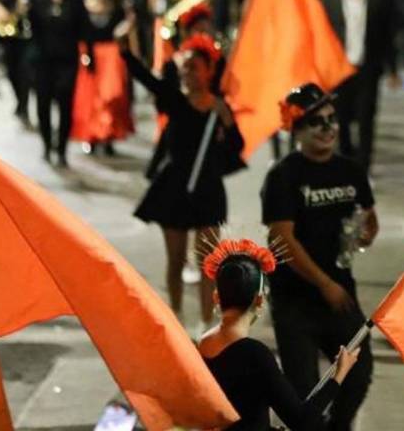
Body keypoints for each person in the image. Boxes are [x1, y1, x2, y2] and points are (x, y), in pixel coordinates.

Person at [261, 83, 376, 430]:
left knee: (359, 372)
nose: (328, 128)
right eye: (316, 122)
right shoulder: (283, 176)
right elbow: (281, 238)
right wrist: (324, 283)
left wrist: (365, 232)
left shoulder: (351, 170)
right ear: (296, 129)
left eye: (331, 119)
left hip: (340, 291)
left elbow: (369, 217)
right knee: (303, 391)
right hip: (295, 299)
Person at [122, 23, 244, 328]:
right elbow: (148, 80)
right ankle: (175, 315)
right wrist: (126, 52)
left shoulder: (219, 107)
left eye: (194, 68)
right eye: (184, 67)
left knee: (208, 263)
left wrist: (227, 122)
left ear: (209, 71)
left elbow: (236, 147)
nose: (187, 73)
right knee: (175, 262)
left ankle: (206, 323)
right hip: (174, 189)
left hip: (207, 190)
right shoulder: (174, 100)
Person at [198, 237, 360, 431]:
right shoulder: (255, 354)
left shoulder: (203, 345)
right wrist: (338, 374)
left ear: (217, 296)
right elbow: (302, 421)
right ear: (259, 300)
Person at [319, 0, 396, 174]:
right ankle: (344, 162)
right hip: (339, 70)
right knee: (339, 119)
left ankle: (363, 169)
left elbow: (386, 35)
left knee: (366, 120)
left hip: (367, 68)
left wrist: (391, 68)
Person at [29, 0, 87, 167]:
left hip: (67, 62)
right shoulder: (37, 0)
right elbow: (31, 31)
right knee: (43, 104)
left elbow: (83, 29)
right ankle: (46, 145)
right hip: (43, 61)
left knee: (65, 105)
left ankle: (61, 149)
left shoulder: (75, 0)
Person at [70, 0, 133, 153]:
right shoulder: (83, 7)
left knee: (111, 96)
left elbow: (128, 28)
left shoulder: (117, 8)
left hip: (111, 57)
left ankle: (108, 135)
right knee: (90, 98)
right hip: (90, 54)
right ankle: (91, 135)